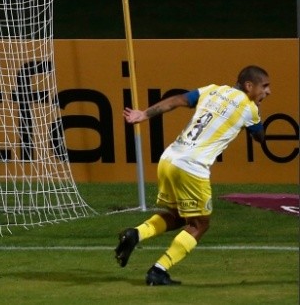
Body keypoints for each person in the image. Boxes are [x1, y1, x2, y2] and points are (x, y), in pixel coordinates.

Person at [115, 65, 271, 286]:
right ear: (249, 86)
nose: (268, 91)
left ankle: (135, 234)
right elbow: (260, 137)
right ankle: (159, 270)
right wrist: (256, 116)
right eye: (264, 86)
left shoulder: (212, 90)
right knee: (200, 224)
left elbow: (177, 100)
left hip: (169, 158)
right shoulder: (249, 108)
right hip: (192, 166)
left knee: (179, 216)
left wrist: (144, 114)